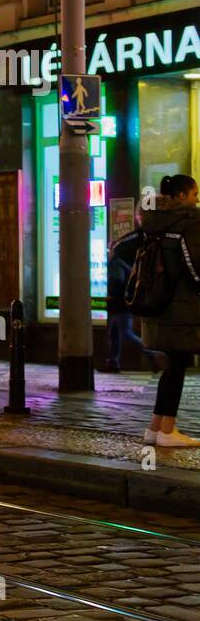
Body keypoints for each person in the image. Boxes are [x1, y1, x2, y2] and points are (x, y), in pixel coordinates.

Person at [113, 174, 200, 447]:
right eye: (195, 194)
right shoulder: (190, 222)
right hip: (182, 307)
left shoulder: (153, 223)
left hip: (157, 305)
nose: (197, 199)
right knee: (177, 367)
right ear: (182, 196)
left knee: (172, 366)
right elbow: (194, 265)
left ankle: (156, 427)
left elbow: (119, 250)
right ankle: (167, 430)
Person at [103, 245, 163, 374]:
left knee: (126, 333)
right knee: (115, 335)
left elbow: (117, 280)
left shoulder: (116, 263)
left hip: (118, 305)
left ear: (113, 252)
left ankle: (151, 353)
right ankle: (113, 363)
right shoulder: (122, 262)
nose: (107, 253)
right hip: (121, 305)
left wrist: (112, 294)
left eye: (108, 250)